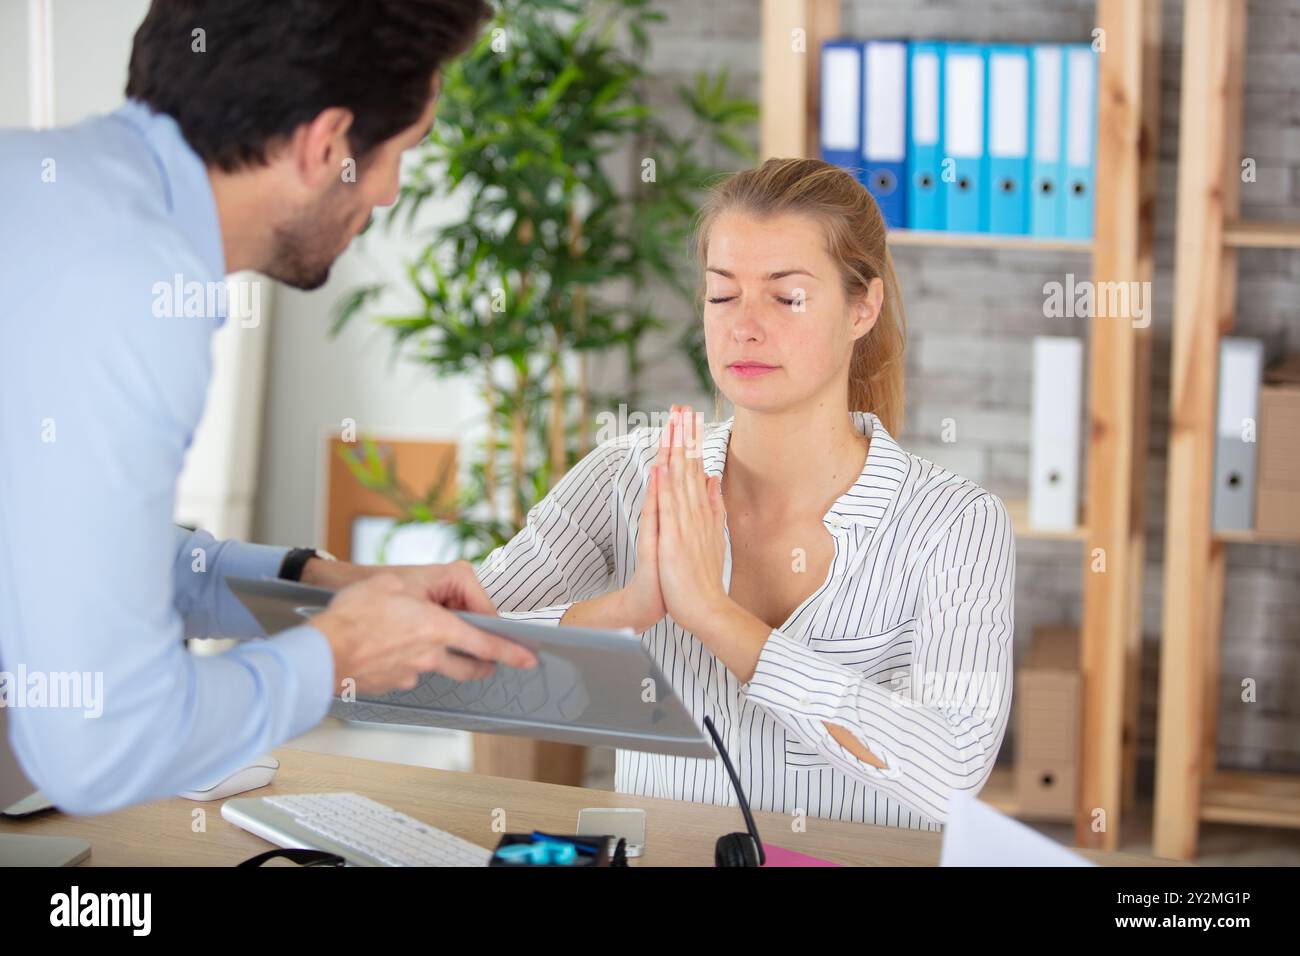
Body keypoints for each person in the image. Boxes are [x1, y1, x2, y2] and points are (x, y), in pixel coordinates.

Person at [0, 0, 536, 817]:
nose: (389, 195)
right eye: (401, 155)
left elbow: (72, 552)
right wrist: (339, 654)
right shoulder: (131, 288)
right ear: (327, 147)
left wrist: (313, 584)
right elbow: (101, 747)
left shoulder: (51, 193)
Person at [478, 158, 1015, 828]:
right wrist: (628, 608)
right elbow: (451, 654)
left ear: (862, 306)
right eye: (722, 294)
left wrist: (715, 618)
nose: (744, 327)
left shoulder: (956, 523)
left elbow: (952, 768)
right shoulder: (626, 475)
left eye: (786, 297)